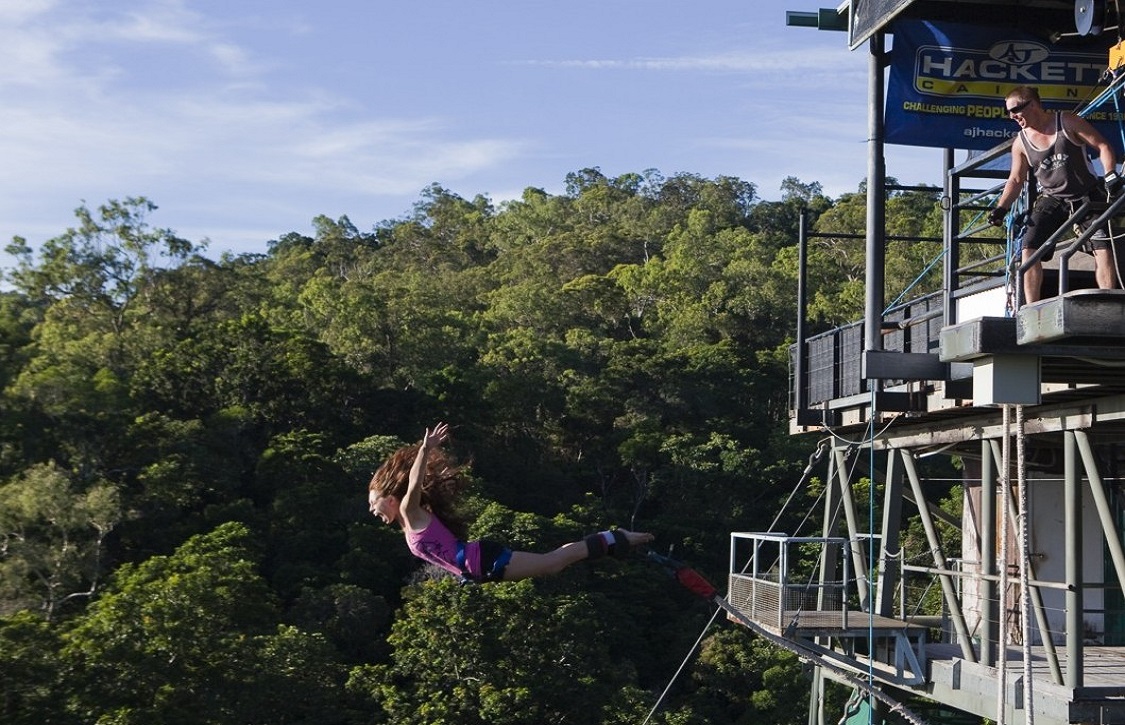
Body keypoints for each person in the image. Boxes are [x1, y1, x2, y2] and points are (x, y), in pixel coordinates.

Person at [368, 422, 654, 583]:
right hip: (480, 566)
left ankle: (617, 538)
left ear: (390, 499)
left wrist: (425, 449)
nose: (372, 510)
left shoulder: (409, 510)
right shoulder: (409, 524)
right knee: (553, 562)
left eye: (374, 503)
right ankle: (611, 540)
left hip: (484, 560)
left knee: (553, 563)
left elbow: (415, 482)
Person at [989, 85, 1121, 303]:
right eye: (1008, 113)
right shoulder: (1021, 142)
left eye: (1015, 110)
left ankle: (1108, 303)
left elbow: (1103, 146)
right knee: (1028, 247)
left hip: (1086, 194)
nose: (1012, 116)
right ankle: (1032, 309)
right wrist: (1001, 208)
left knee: (1102, 245)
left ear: (1032, 104)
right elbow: (1015, 179)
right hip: (1052, 198)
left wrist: (1109, 175)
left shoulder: (1067, 122)